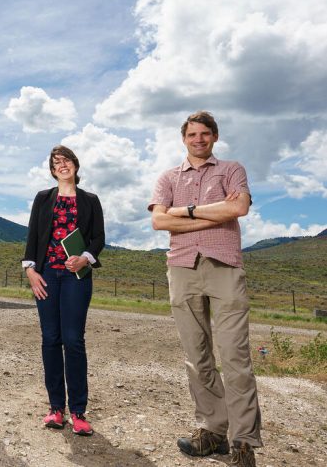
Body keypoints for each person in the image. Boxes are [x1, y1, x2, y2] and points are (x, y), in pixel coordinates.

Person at [149, 111, 261, 467]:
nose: (198, 139)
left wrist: (187, 211)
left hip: (224, 267)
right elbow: (158, 220)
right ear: (184, 138)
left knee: (235, 358)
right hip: (182, 268)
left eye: (205, 133)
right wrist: (215, 212)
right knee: (197, 359)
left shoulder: (231, 170)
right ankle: (212, 432)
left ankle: (243, 442)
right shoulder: (168, 177)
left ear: (214, 137)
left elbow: (238, 207)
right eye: (192, 134)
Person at [22, 145, 104, 435]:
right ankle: (56, 408)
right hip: (46, 276)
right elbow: (32, 236)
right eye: (56, 162)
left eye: (66, 160)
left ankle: (78, 411)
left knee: (73, 340)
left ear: (75, 165)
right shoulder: (43, 199)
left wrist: (85, 258)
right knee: (50, 339)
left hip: (76, 278)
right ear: (52, 169)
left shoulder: (90, 200)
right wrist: (30, 270)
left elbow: (98, 238)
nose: (62, 165)